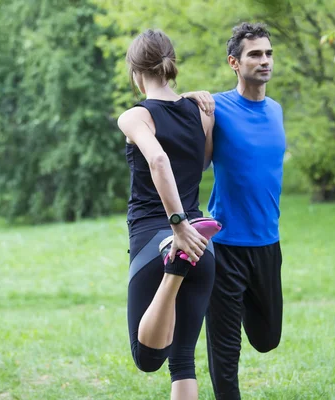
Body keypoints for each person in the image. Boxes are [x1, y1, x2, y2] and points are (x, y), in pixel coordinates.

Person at [183, 22, 286, 400]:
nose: (264, 61)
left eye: (268, 53)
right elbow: (183, 136)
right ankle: (223, 307)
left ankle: (237, 303)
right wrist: (191, 98)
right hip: (224, 247)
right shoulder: (216, 107)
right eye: (255, 54)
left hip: (267, 244)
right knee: (225, 354)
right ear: (234, 62)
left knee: (267, 339)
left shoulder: (276, 110)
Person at [116, 29, 221, 400]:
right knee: (183, 362)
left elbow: (158, 158)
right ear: (171, 66)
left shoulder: (134, 116)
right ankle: (177, 266)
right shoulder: (202, 112)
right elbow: (203, 161)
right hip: (201, 242)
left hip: (160, 240)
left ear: (135, 72)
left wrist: (176, 226)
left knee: (146, 358)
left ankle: (173, 271)